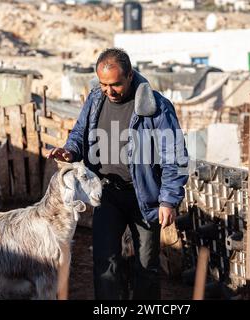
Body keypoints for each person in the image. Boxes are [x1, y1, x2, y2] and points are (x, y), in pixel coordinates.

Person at [47, 48, 188, 300]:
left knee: (146, 265)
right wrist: (69, 151)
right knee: (104, 263)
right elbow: (80, 133)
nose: (109, 91)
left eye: (115, 85)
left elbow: (174, 157)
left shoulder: (157, 107)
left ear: (130, 76)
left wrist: (168, 200)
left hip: (145, 198)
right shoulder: (95, 99)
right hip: (107, 194)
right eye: (103, 84)